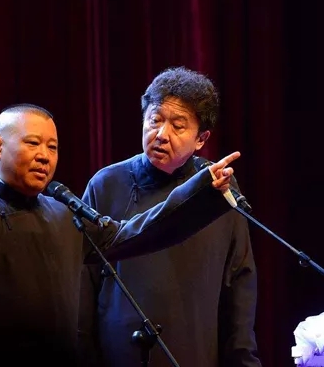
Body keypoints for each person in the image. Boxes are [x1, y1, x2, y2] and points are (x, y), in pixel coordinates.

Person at [0, 103, 241, 366]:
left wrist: (200, 189)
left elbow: (134, 233)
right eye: (33, 143)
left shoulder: (63, 213)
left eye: (53, 147)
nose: (44, 156)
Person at [77, 67, 262, 366]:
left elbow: (239, 281)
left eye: (178, 126)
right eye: (155, 120)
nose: (162, 135)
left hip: (195, 352)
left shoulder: (217, 187)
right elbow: (82, 287)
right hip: (118, 356)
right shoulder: (106, 184)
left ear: (201, 138)